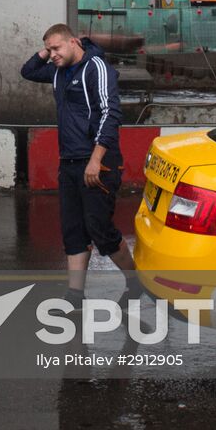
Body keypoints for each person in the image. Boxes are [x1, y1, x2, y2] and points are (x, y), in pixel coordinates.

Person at [21, 24, 139, 307]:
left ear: (74, 42)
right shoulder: (59, 70)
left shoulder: (96, 67)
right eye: (49, 51)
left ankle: (136, 282)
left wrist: (96, 160)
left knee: (99, 228)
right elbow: (28, 71)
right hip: (69, 161)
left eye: (57, 49)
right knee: (73, 229)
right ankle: (75, 295)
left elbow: (110, 114)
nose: (52, 56)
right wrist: (48, 49)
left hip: (98, 161)